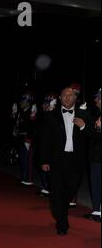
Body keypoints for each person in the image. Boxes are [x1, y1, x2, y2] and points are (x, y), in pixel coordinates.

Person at [40, 86, 92, 235]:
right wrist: (44, 160)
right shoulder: (51, 116)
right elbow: (45, 140)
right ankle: (62, 222)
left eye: (71, 95)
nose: (68, 98)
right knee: (56, 192)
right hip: (57, 160)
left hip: (76, 161)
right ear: (60, 98)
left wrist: (83, 126)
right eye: (64, 96)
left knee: (71, 189)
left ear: (75, 98)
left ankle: (61, 210)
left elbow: (93, 135)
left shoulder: (84, 114)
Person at [11, 91, 37, 186]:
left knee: (27, 160)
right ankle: (24, 177)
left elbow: (32, 127)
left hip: (27, 137)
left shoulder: (31, 112)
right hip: (20, 137)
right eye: (21, 101)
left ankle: (29, 178)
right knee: (22, 159)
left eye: (23, 101)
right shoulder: (20, 112)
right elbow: (17, 124)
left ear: (28, 102)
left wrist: (29, 139)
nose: (21, 103)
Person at [84, 88, 101, 222]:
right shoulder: (95, 113)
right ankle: (96, 210)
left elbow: (92, 134)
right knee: (95, 183)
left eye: (98, 98)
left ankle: (97, 210)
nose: (95, 100)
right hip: (95, 154)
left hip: (98, 154)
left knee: (96, 181)